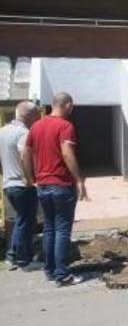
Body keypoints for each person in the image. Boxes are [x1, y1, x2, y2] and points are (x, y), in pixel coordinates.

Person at [22, 92, 88, 286]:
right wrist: (79, 180)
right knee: (62, 229)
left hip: (43, 185)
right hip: (61, 185)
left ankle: (50, 270)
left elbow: (26, 154)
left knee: (49, 229)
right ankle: (62, 274)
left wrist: (30, 178)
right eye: (72, 106)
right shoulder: (65, 126)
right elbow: (67, 153)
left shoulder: (36, 126)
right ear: (67, 105)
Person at [1, 101, 40, 270]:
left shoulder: (3, 131)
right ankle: (22, 258)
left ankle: (11, 255)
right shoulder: (23, 133)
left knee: (17, 221)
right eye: (36, 116)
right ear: (28, 116)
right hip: (21, 184)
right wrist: (29, 179)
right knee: (25, 221)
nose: (37, 120)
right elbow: (25, 155)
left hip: (8, 183)